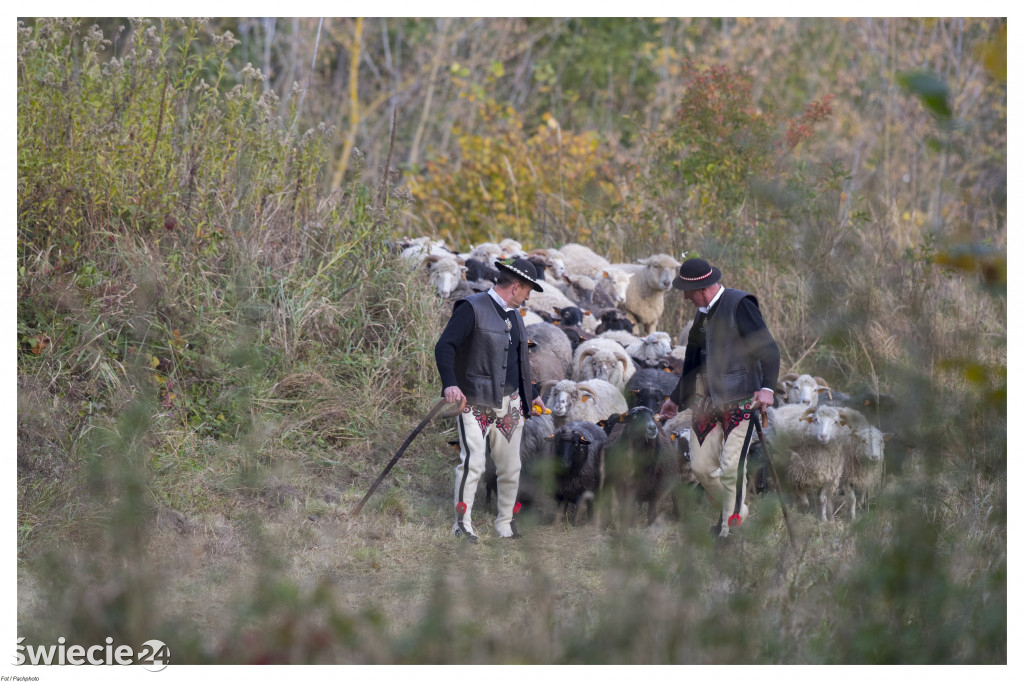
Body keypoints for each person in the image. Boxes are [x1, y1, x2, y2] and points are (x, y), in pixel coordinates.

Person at [659, 257, 780, 538]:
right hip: (707, 403)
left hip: (742, 401)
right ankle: (735, 509)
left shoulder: (740, 304)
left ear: (702, 288)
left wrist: (767, 388)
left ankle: (729, 529)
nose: (686, 297)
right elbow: (692, 363)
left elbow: (769, 350)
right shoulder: (701, 316)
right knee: (700, 468)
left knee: (731, 466)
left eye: (688, 292)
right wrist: (675, 399)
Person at [435, 257, 547, 543]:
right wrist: (450, 384)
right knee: (473, 463)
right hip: (475, 401)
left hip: (510, 404)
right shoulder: (471, 308)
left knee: (512, 467)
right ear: (516, 286)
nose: (529, 296)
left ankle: (505, 524)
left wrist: (531, 394)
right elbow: (445, 346)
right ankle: (462, 524)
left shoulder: (516, 317)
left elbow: (517, 361)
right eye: (528, 290)